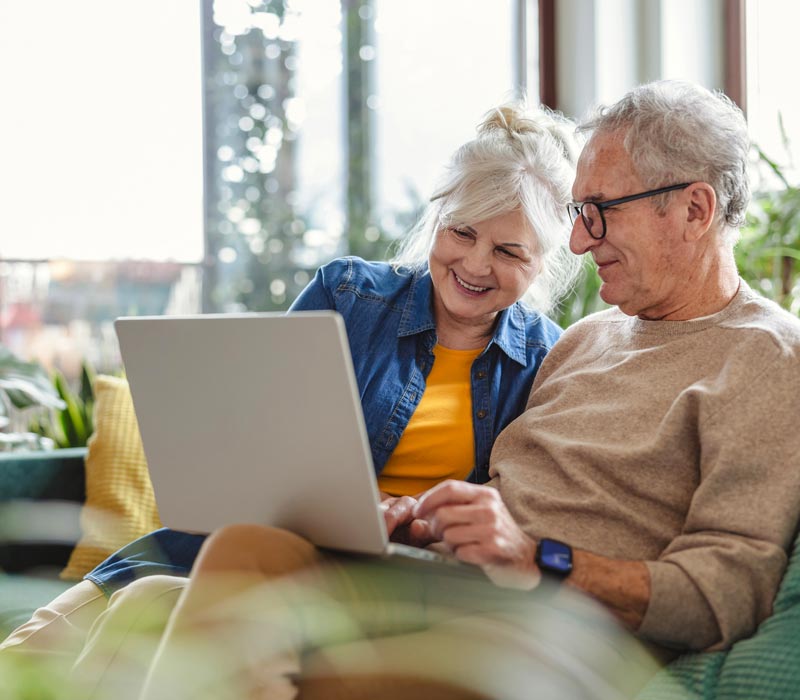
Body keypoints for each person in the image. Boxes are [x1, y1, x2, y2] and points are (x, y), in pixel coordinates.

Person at [96, 79, 800, 699]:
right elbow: (509, 491)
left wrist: (540, 560)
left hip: (562, 636)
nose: (580, 245)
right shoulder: (589, 339)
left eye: (599, 212)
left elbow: (726, 591)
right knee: (229, 558)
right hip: (445, 585)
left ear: (695, 210)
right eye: (579, 213)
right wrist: (434, 519)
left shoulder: (764, 357)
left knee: (220, 640)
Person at [0, 102, 582, 677]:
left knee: (140, 610)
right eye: (462, 232)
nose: (476, 263)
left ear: (543, 262)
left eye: (508, 251)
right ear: (437, 218)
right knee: (27, 654)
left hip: (379, 581)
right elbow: (260, 446)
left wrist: (421, 521)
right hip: (241, 545)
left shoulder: (547, 361)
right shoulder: (349, 296)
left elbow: (513, 520)